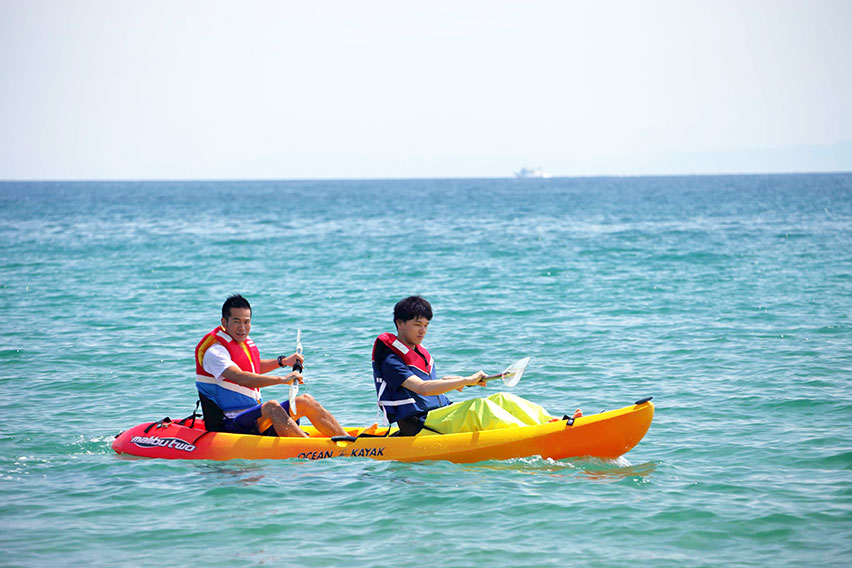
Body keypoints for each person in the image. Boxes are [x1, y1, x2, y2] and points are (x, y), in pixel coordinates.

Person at [372, 295, 582, 436]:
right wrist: (465, 380)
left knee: (502, 398)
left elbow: (432, 382)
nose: (422, 331)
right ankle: (534, 435)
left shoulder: (418, 353)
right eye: (417, 325)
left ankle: (552, 423)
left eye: (426, 325)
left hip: (440, 415)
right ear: (400, 323)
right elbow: (422, 388)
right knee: (478, 408)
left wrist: (460, 381)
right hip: (419, 425)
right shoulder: (390, 359)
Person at [195, 294, 347, 438]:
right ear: (224, 322)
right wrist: (282, 379)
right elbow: (240, 377)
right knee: (271, 406)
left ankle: (349, 442)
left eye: (246, 322)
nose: (242, 327)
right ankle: (310, 448)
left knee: (306, 400)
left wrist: (283, 362)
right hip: (230, 423)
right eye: (236, 321)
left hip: (252, 416)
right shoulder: (215, 351)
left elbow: (253, 367)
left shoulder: (241, 342)